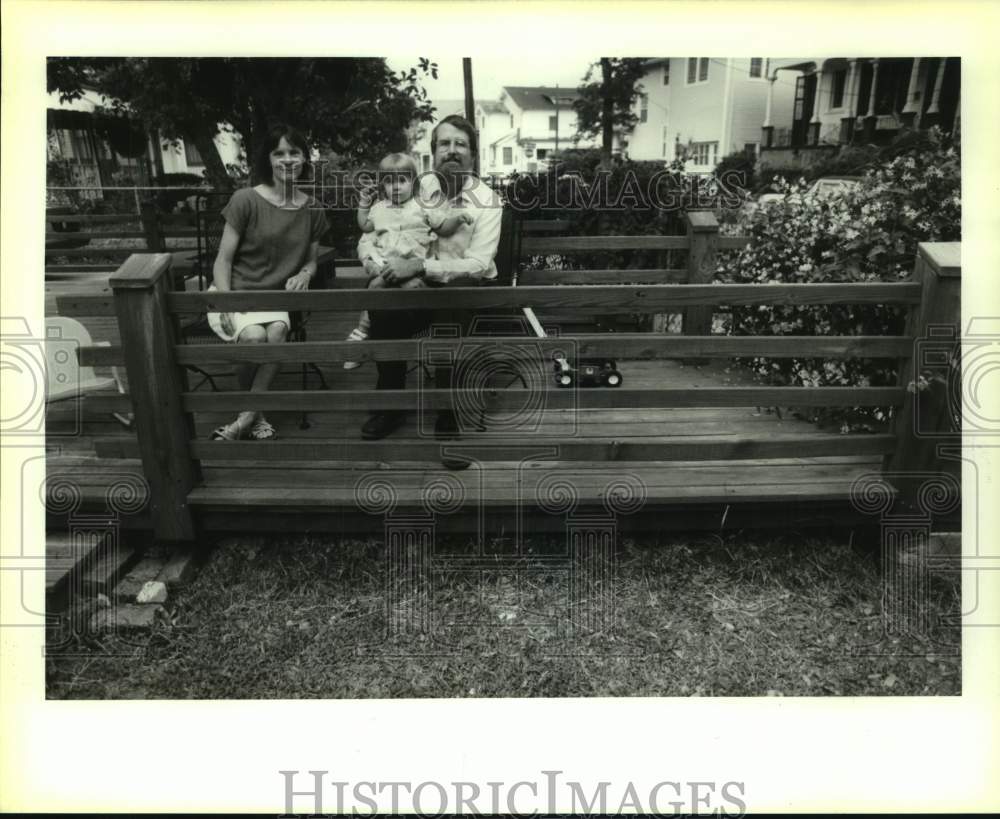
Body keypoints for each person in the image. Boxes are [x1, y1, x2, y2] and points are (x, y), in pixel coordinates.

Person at [358, 115, 503, 444]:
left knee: (449, 308)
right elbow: (371, 235)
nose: (452, 151)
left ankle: (448, 409)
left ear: (473, 155)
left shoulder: (488, 201)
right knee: (384, 305)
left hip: (463, 290)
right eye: (444, 144)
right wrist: (377, 264)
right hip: (413, 286)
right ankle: (391, 405)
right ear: (433, 151)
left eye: (461, 145)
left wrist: (422, 268)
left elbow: (479, 264)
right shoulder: (414, 187)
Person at [207, 123, 329, 441]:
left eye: (294, 152)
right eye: (279, 153)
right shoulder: (245, 199)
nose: (287, 160)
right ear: (269, 160)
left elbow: (311, 260)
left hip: (276, 298)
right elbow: (223, 260)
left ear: (304, 159)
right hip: (234, 290)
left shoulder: (313, 208)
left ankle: (245, 417)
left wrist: (305, 274)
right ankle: (255, 414)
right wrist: (224, 300)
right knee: (253, 338)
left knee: (275, 331)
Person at [343, 152, 472, 370]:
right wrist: (364, 204)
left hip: (414, 269)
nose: (396, 187)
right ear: (382, 186)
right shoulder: (379, 208)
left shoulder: (423, 206)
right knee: (373, 288)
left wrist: (458, 219)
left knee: (410, 292)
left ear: (413, 182)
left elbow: (442, 226)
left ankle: (392, 342)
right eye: (389, 182)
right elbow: (365, 226)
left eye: (402, 180)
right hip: (386, 268)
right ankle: (363, 332)